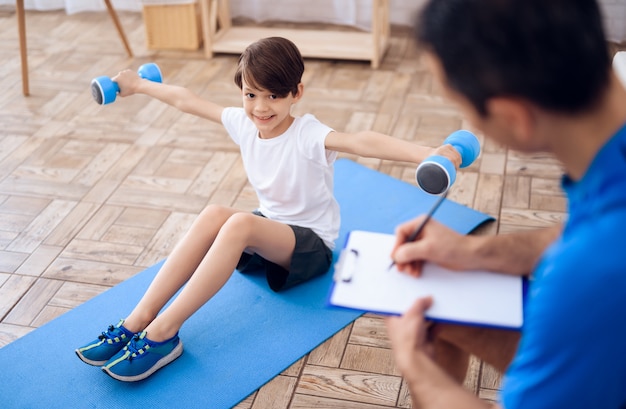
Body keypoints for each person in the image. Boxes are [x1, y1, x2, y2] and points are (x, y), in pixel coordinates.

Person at [75, 37, 460, 382]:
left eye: (273, 96)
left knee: (240, 223)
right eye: (251, 95)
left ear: (296, 93)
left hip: (310, 248)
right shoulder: (244, 123)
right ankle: (138, 321)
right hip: (269, 232)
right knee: (214, 214)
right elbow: (187, 100)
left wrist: (430, 153)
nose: (260, 107)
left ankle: (164, 335)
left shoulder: (309, 135)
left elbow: (363, 141)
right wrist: (139, 85)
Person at [385, 0, 626, 409]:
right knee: (446, 309)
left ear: (515, 117)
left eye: (465, 107)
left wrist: (417, 368)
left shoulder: (587, 273)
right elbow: (588, 230)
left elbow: (597, 257)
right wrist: (474, 252)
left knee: (424, 334)